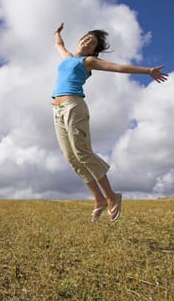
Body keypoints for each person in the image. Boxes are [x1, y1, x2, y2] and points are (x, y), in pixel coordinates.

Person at [52, 23, 168, 222]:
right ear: (80, 40)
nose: (87, 41)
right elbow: (59, 45)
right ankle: (99, 199)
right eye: (86, 37)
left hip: (74, 106)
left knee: (83, 153)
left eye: (92, 42)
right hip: (56, 110)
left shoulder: (88, 61)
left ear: (94, 50)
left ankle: (111, 195)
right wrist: (57, 33)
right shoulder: (67, 58)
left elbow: (118, 67)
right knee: (71, 157)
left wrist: (148, 70)